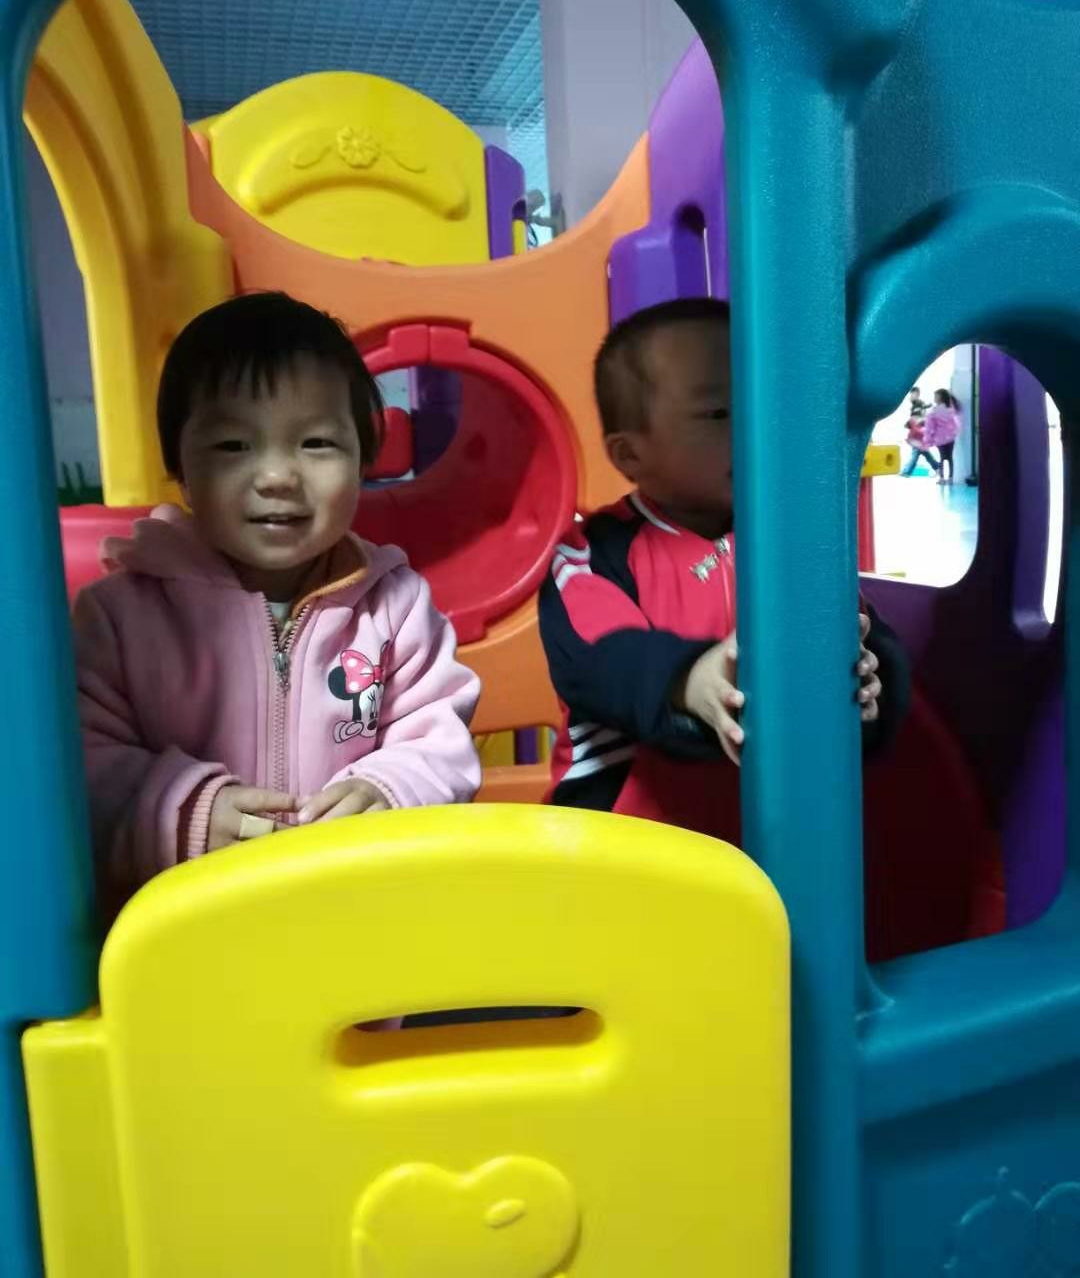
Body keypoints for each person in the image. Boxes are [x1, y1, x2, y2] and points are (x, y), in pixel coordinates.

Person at [74, 292, 481, 917]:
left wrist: (390, 788)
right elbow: (78, 767)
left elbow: (438, 737)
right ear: (178, 465)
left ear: (364, 460)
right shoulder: (118, 617)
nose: (277, 477)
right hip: (179, 927)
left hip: (351, 914)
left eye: (316, 443)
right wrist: (183, 810)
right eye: (233, 446)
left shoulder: (396, 607)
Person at [538, 296, 908, 840]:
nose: (755, 427)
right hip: (627, 833)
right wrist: (689, 682)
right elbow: (603, 659)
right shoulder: (593, 554)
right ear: (630, 455)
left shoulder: (796, 541)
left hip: (775, 830)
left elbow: (861, 631)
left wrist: (870, 684)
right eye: (718, 413)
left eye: (763, 400)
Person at [923, 387, 962, 485]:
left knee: (942, 458)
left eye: (935, 396)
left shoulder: (934, 412)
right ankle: (950, 478)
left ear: (940, 398)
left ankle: (942, 478)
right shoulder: (951, 410)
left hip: (940, 439)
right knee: (949, 458)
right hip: (950, 438)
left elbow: (930, 428)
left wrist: (928, 440)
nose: (934, 398)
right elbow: (955, 424)